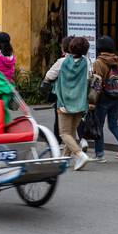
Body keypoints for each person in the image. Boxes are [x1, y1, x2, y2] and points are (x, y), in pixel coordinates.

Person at [46, 36, 93, 170]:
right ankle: (64, 160)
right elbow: (90, 77)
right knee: (71, 132)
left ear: (70, 47)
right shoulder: (88, 62)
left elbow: (49, 76)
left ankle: (79, 154)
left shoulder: (62, 62)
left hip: (64, 102)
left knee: (64, 133)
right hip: (81, 102)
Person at [88, 36, 118, 164]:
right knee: (113, 124)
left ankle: (100, 155)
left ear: (99, 48)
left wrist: (92, 101)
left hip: (104, 97)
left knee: (99, 125)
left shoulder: (98, 62)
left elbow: (96, 83)